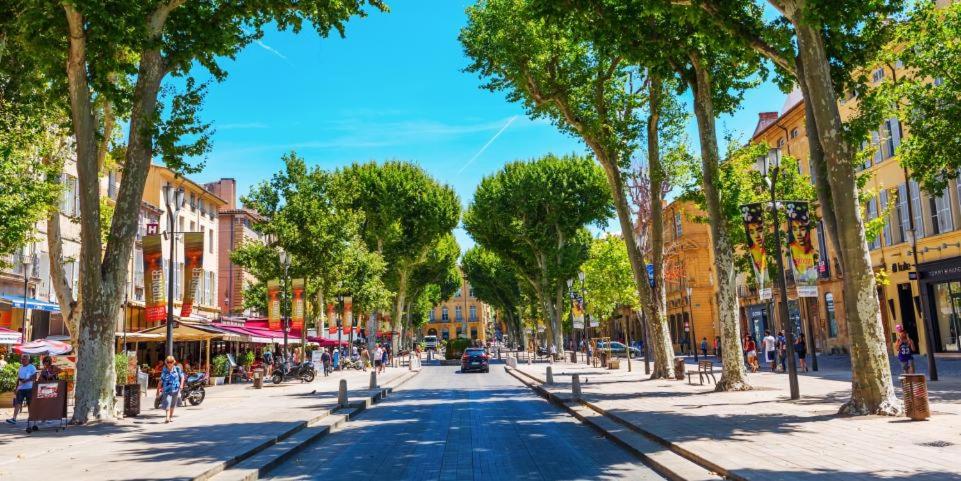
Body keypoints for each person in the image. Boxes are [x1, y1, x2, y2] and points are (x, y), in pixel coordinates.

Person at [7, 355, 37, 425]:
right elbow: (18, 378)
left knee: (29, 403)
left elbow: (35, 377)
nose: (22, 360)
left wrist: (27, 380)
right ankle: (14, 418)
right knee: (18, 403)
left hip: (29, 388)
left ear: (28, 360)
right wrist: (16, 387)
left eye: (24, 359)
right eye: (22, 359)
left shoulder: (32, 367)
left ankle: (30, 417)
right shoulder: (20, 367)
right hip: (21, 388)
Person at [157, 356, 183, 423]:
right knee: (167, 403)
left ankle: (170, 417)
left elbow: (182, 377)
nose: (169, 363)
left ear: (173, 362)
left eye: (171, 362)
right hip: (166, 389)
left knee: (173, 404)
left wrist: (182, 385)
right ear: (166, 362)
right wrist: (157, 390)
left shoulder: (177, 369)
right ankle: (167, 417)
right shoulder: (164, 370)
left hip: (175, 389)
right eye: (168, 362)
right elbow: (161, 380)